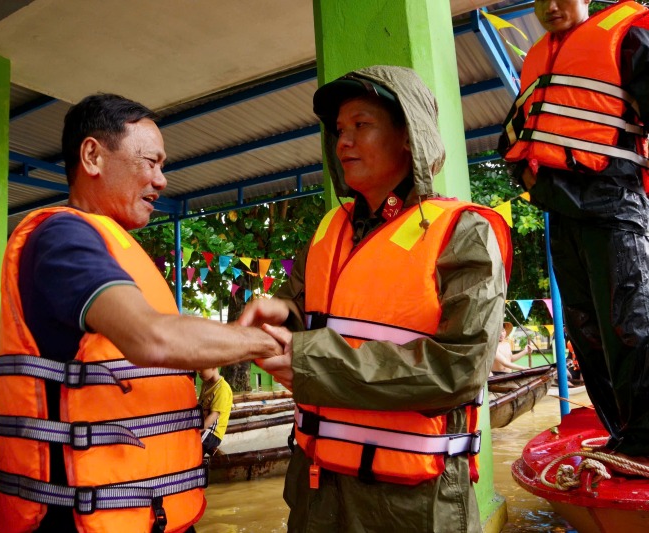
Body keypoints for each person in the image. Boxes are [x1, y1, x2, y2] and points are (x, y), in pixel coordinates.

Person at [238, 65, 512, 533]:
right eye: (339, 129)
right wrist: (284, 311)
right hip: (316, 494)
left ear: (409, 136)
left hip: (414, 506)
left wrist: (311, 361)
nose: (343, 142)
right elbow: (307, 311)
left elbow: (460, 369)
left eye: (361, 125)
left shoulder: (464, 232)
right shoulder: (329, 228)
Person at [0, 94, 282, 533]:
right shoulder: (63, 237)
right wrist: (269, 342)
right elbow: (151, 337)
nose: (161, 180)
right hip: (84, 521)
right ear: (92, 156)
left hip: (149, 513)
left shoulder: (115, 246)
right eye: (150, 162)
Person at [499, 0, 649, 456]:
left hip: (614, 204)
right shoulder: (538, 59)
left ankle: (645, 442)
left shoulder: (627, 38)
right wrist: (527, 178)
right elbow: (514, 133)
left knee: (630, 325)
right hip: (560, 211)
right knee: (585, 332)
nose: (550, 6)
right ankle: (623, 435)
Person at [197, 367, 233, 456]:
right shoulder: (205, 384)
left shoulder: (222, 388)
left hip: (212, 433)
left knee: (193, 443)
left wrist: (197, 430)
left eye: (201, 368)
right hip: (204, 427)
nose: (198, 372)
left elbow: (214, 416)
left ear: (214, 366)